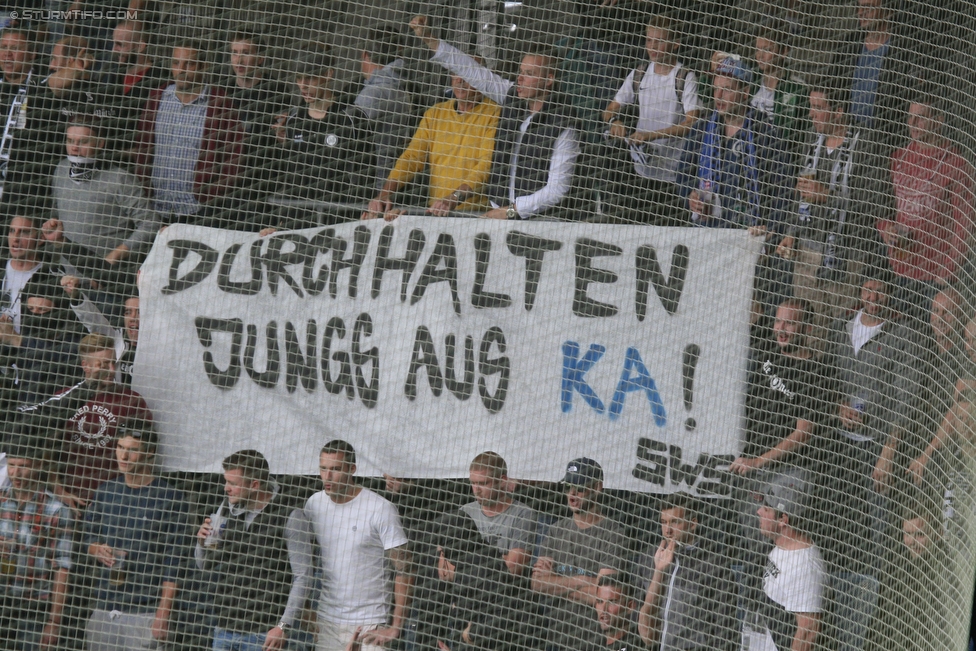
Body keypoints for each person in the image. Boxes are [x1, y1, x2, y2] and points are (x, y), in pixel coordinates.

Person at [814, 271, 921, 651]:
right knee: (839, 527)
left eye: (882, 290)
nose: (875, 295)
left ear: (892, 295)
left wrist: (888, 455)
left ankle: (867, 630)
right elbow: (825, 380)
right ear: (861, 291)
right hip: (841, 448)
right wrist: (838, 407)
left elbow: (906, 400)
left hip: (877, 449)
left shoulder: (903, 336)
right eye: (870, 288)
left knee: (877, 534)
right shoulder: (842, 328)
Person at [411, 15, 579, 220]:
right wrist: (429, 39)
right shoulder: (512, 97)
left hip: (536, 222)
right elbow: (471, 70)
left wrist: (510, 211)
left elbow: (557, 190)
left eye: (529, 73)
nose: (520, 78)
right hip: (496, 215)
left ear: (549, 79)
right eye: (520, 71)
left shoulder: (564, 124)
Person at [774, 82, 891, 352]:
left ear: (838, 111)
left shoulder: (866, 143)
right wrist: (791, 234)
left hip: (848, 258)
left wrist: (828, 196)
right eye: (811, 107)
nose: (811, 114)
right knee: (805, 329)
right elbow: (800, 195)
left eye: (818, 108)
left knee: (836, 334)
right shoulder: (809, 140)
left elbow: (879, 203)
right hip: (806, 255)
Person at [83, 415, 190, 650]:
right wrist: (96, 549)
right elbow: (86, 537)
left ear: (149, 453)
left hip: (145, 609)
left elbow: (175, 559)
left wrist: (163, 613)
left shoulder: (170, 498)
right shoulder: (105, 491)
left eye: (132, 450)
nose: (123, 456)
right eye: (120, 447)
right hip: (104, 604)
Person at [195, 449, 314, 651]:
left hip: (265, 633)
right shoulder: (225, 509)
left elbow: (304, 576)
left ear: (255, 485)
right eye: (226, 482)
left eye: (233, 483)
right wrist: (200, 543)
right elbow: (204, 565)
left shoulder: (289, 516)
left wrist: (283, 626)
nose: (226, 489)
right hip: (224, 628)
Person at [361, 50, 500, 220]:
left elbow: (485, 166)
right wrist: (384, 193)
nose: (459, 79)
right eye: (455, 72)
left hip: (477, 214)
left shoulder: (496, 113)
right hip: (436, 212)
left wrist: (454, 198)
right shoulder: (435, 114)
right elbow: (412, 158)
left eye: (466, 72)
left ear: (483, 77)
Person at [304, 439, 412, 651]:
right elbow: (301, 561)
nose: (327, 476)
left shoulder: (380, 508)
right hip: (327, 622)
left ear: (352, 469)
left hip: (371, 623)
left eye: (335, 469)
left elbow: (405, 567)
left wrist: (395, 627)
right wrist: (306, 612)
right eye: (323, 468)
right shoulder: (314, 504)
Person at [880, 92, 975, 322]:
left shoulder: (956, 163)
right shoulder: (898, 157)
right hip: (899, 270)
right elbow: (882, 208)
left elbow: (966, 224)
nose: (912, 124)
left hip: (934, 275)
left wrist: (948, 271)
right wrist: (885, 228)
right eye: (910, 117)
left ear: (939, 119)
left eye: (920, 117)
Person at [601, 14, 700, 225]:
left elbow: (692, 122)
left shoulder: (685, 77)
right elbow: (610, 108)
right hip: (640, 173)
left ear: (675, 44)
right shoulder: (640, 72)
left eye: (659, 40)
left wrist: (652, 136)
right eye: (649, 40)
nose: (652, 46)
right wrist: (615, 121)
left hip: (673, 177)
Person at [134, 39, 243, 226]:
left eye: (189, 63)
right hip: (155, 211)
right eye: (176, 63)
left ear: (203, 66)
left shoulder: (220, 104)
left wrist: (213, 197)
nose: (181, 70)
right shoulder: (156, 100)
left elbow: (233, 158)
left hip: (199, 212)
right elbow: (141, 151)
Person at [263, 49, 373, 230]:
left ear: (328, 74)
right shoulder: (294, 119)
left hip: (342, 220)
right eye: (299, 78)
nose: (303, 85)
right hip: (301, 222)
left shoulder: (352, 118)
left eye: (310, 78)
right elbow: (293, 177)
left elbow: (364, 174)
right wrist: (283, 222)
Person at [676, 56, 789, 231]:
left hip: (748, 234)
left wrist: (772, 227)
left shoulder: (765, 133)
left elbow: (782, 187)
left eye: (727, 89)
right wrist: (690, 196)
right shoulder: (702, 128)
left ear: (744, 92)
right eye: (716, 89)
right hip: (706, 231)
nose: (719, 96)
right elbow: (682, 174)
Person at [45, 333, 151, 512]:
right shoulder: (63, 399)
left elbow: (145, 453)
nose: (111, 370)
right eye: (102, 365)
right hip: (71, 499)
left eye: (112, 363)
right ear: (85, 366)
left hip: (116, 499)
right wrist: (59, 491)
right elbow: (46, 450)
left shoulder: (132, 401)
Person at [531, 458, 629, 651]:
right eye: (568, 487)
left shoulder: (614, 534)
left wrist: (556, 582)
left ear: (597, 487)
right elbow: (537, 584)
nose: (572, 494)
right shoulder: (556, 530)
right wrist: (583, 580)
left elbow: (602, 597)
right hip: (555, 639)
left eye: (580, 488)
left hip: (595, 642)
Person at [48, 118, 160, 276]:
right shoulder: (60, 170)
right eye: (70, 140)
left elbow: (151, 223)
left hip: (107, 276)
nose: (74, 148)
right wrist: (53, 227)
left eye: (83, 142)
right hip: (68, 275)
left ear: (100, 143)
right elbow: (56, 215)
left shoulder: (120, 179)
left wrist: (116, 255)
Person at [0, 432, 73, 651]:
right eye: (12, 465)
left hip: (33, 606)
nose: (16, 473)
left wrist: (54, 622)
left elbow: (63, 567)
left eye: (24, 466)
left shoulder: (56, 510)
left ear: (38, 466)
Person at [636, 493, 737, 651]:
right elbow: (638, 611)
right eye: (663, 522)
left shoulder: (714, 565)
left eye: (675, 522)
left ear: (692, 523)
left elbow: (724, 631)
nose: (667, 530)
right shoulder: (649, 558)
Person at [756, 469, 825, 651]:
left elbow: (808, 631)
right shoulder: (781, 546)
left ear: (782, 520)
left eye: (766, 508)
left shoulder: (804, 566)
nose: (758, 511)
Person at [355, 25, 414, 191]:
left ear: (365, 55)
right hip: (397, 180)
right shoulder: (402, 87)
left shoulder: (373, 94)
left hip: (375, 187)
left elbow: (348, 133)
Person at [459, 451, 536, 577]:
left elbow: (513, 569)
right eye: (473, 483)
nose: (476, 490)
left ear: (502, 480)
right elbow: (444, 569)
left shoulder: (522, 514)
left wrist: (466, 566)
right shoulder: (464, 512)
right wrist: (500, 561)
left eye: (483, 483)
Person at [97, 20, 165, 158]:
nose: (113, 50)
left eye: (120, 45)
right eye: (114, 43)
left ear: (140, 46)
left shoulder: (161, 80)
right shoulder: (112, 77)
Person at [0, 28, 42, 208]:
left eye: (15, 47)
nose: (7, 54)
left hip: (22, 184)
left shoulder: (43, 87)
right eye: (3, 47)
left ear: (32, 53)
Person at [0, 213, 46, 333]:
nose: (15, 239)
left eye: (24, 232)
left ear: (40, 238)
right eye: (12, 230)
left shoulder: (50, 277)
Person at [594, 575, 643, 651]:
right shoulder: (592, 645)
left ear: (630, 606)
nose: (604, 609)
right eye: (600, 602)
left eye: (612, 602)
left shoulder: (637, 643)